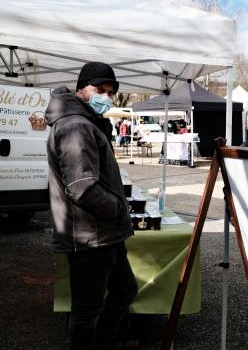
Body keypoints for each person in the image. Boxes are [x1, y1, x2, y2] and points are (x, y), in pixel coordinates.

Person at [45, 61, 137, 350]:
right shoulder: (75, 125)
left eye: (111, 92)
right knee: (87, 309)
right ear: (80, 90)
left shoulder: (86, 122)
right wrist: (118, 209)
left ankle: (103, 341)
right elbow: (82, 188)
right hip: (89, 236)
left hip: (104, 233)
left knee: (124, 291)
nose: (106, 97)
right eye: (100, 89)